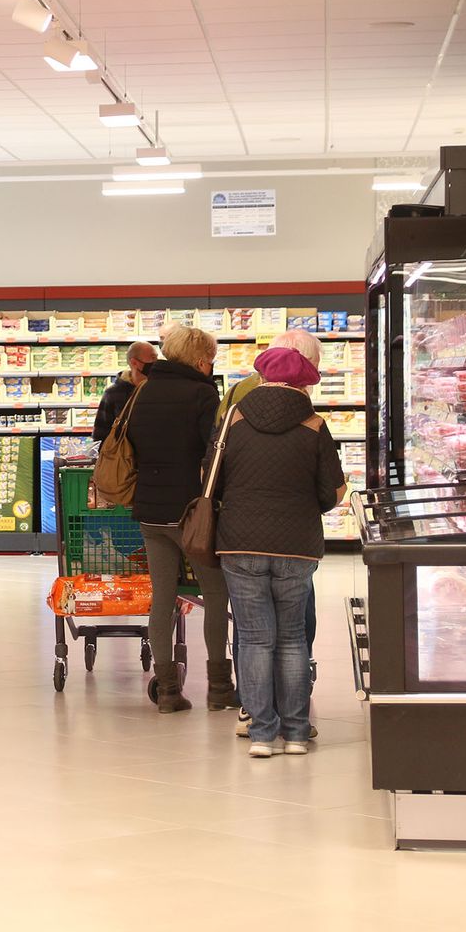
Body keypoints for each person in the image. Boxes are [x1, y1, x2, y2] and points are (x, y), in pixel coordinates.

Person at [206, 346, 346, 758]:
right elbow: (330, 494)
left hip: (239, 540)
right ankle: (297, 732)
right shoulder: (315, 425)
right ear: (304, 383)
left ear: (261, 377)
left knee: (253, 638)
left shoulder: (234, 419)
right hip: (297, 545)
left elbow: (211, 479)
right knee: (291, 638)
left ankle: (263, 733)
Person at [123, 325, 237, 713]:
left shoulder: (143, 390)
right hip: (192, 511)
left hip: (150, 511)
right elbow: (214, 452)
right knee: (215, 594)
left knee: (163, 598)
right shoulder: (205, 394)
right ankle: (220, 687)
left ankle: (168, 690)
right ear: (201, 359)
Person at [92, 341, 157, 441]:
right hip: (123, 454)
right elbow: (100, 433)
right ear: (134, 362)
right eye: (152, 357)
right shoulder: (113, 393)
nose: (156, 361)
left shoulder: (158, 389)